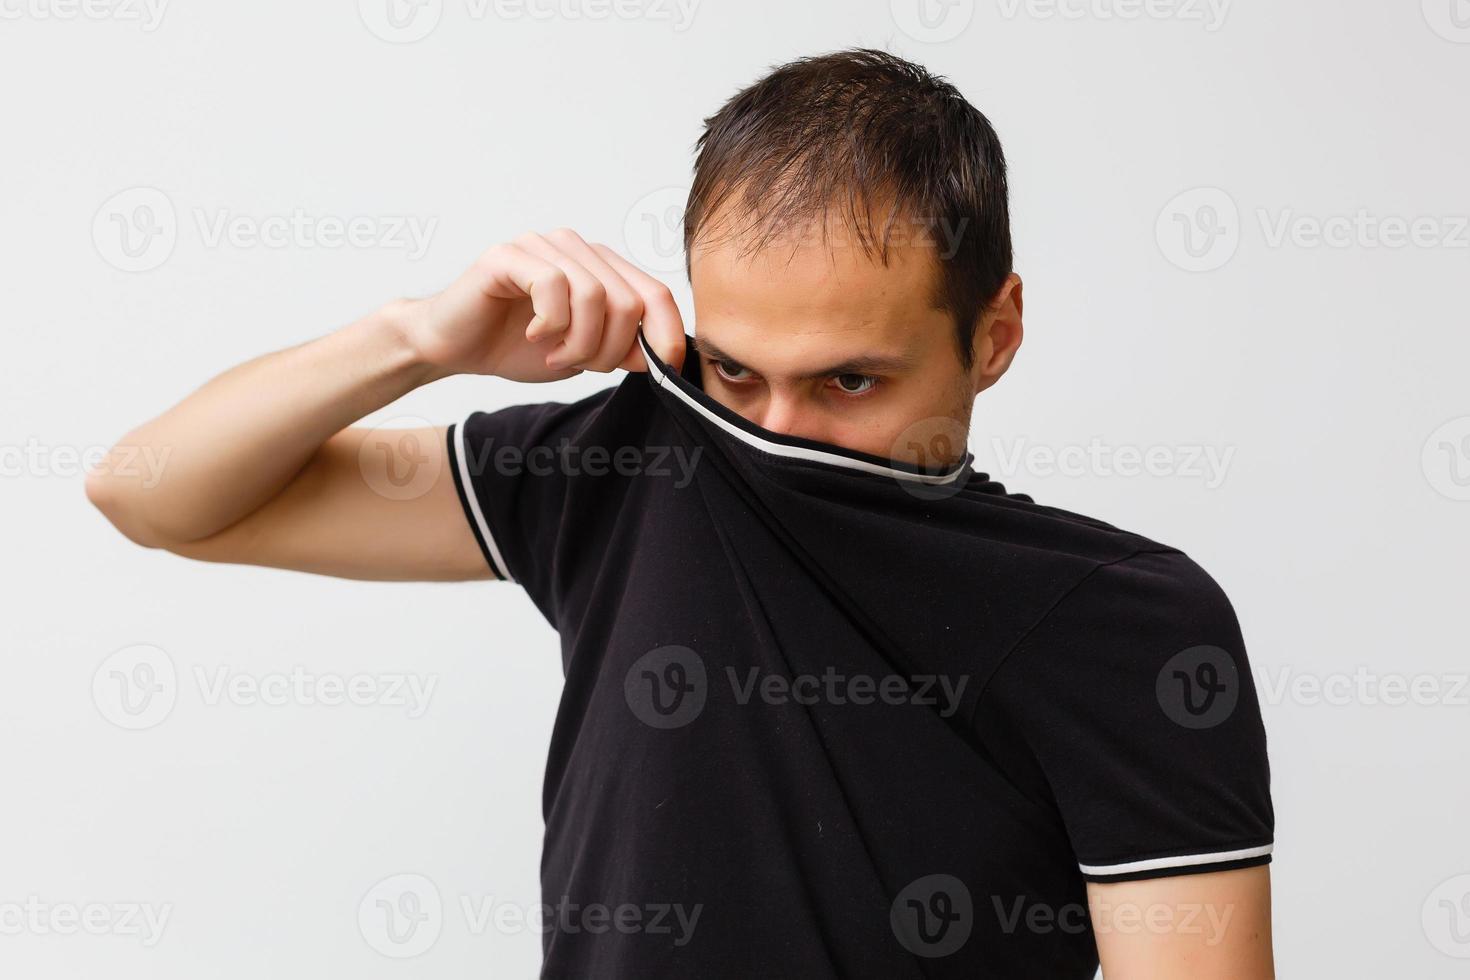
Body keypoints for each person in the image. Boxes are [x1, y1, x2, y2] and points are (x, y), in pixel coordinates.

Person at [87, 48, 1274, 979]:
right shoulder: (631, 466)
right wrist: (417, 340)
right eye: (737, 372)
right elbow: (148, 493)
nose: (780, 428)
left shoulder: (1132, 625)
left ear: (995, 334)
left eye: (850, 381)